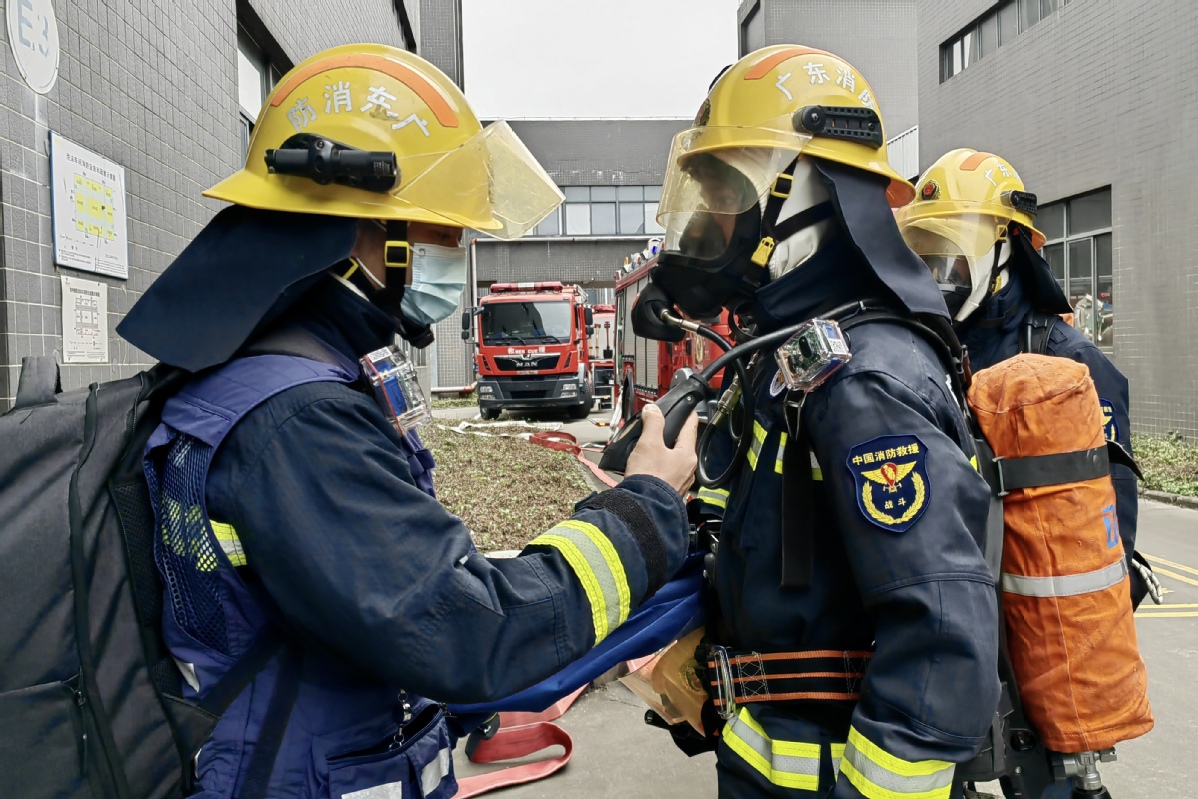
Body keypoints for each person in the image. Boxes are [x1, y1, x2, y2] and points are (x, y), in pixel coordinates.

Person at [116, 44, 697, 799]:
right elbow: (468, 631)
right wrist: (647, 507)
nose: (455, 255)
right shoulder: (297, 420)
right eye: (443, 233)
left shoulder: (280, 374)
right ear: (365, 225)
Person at [643, 45, 999, 798]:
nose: (708, 220)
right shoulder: (790, 361)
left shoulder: (865, 380)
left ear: (802, 191)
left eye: (725, 192)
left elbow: (939, 633)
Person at [894, 148, 1154, 607]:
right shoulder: (932, 348)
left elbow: (1109, 526)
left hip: (1033, 620)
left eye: (953, 251)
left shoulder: (1071, 363)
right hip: (956, 604)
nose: (937, 272)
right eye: (925, 249)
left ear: (1005, 247)